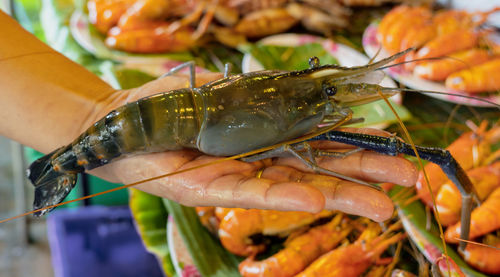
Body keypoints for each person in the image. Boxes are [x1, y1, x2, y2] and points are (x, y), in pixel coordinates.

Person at [0, 10, 417, 222]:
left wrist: (88, 114)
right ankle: (61, 163)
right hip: (139, 125)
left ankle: (61, 160)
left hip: (157, 114)